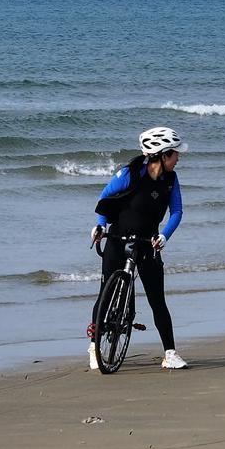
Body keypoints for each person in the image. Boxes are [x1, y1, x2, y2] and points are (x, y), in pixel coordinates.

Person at [87, 127, 188, 370]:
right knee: (105, 294)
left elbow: (177, 211)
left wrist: (164, 236)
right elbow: (104, 201)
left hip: (147, 244)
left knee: (157, 300)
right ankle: (94, 346)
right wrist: (100, 226)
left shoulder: (170, 181)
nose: (178, 158)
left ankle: (170, 354)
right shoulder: (129, 174)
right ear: (162, 155)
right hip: (117, 240)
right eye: (175, 154)